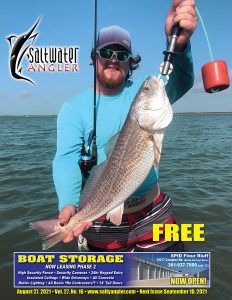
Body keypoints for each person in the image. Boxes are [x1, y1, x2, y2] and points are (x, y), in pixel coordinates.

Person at [53, 0, 197, 252]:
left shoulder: (147, 89)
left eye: (121, 55)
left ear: (131, 61)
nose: (113, 60)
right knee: (111, 289)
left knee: (167, 285)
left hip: (154, 212)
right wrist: (68, 203)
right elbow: (65, 159)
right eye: (106, 53)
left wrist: (180, 44)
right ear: (94, 57)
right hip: (101, 220)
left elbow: (181, 80)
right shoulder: (73, 108)